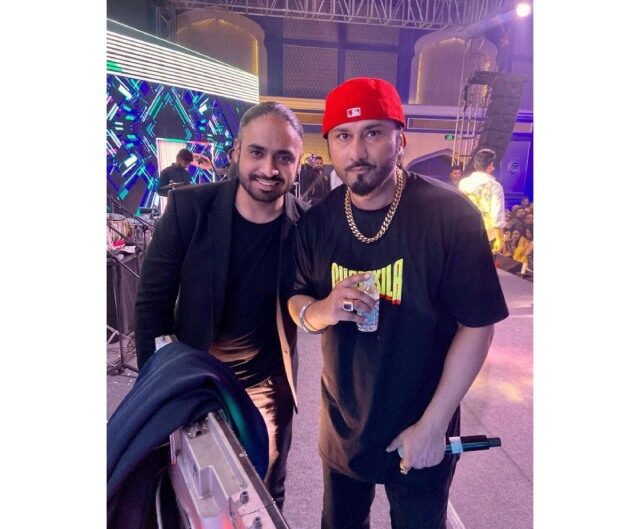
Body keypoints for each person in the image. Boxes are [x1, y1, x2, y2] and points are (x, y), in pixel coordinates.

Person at [287, 77, 509, 529]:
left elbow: (477, 325)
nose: (357, 151)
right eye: (343, 136)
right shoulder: (318, 222)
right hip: (343, 425)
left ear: (400, 139)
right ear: (329, 145)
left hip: (422, 423)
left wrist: (434, 424)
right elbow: (296, 297)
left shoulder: (450, 216)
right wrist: (320, 311)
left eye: (373, 132)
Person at [134, 101, 309, 510]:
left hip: (268, 387)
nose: (269, 168)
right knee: (191, 493)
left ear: (298, 163)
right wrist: (157, 388)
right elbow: (152, 304)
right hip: (198, 377)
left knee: (265, 491)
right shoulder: (189, 209)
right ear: (236, 152)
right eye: (257, 152)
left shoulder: (308, 225)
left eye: (284, 157)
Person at [458, 148, 506, 254]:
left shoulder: (463, 183)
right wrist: (500, 239)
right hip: (486, 233)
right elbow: (497, 213)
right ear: (490, 165)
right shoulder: (494, 186)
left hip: (464, 229)